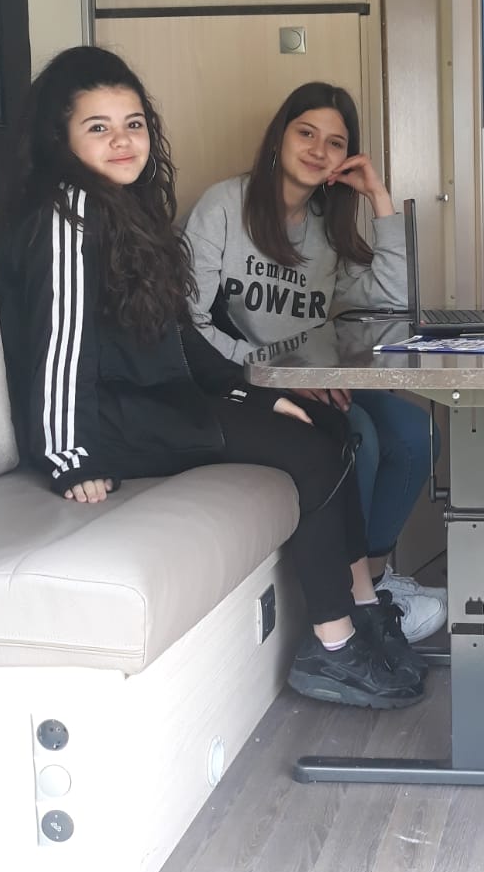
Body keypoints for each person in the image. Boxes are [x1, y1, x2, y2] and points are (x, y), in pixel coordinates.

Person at [0, 46, 426, 712]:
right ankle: (333, 649)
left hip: (151, 402)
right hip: (105, 423)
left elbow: (178, 336)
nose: (122, 141)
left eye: (133, 124)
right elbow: (59, 340)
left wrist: (259, 392)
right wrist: (69, 454)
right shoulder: (68, 210)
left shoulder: (124, 209)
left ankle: (362, 610)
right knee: (312, 449)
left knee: (330, 425)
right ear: (61, 137)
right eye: (98, 127)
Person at [182, 82, 445, 647]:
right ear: (280, 136)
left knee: (416, 434)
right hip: (248, 382)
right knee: (361, 437)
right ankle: (351, 600)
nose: (318, 149)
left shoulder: (327, 226)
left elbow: (395, 300)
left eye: (335, 142)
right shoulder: (224, 205)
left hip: (318, 378)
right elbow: (190, 321)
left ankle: (374, 580)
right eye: (306, 133)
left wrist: (379, 199)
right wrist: (279, 377)